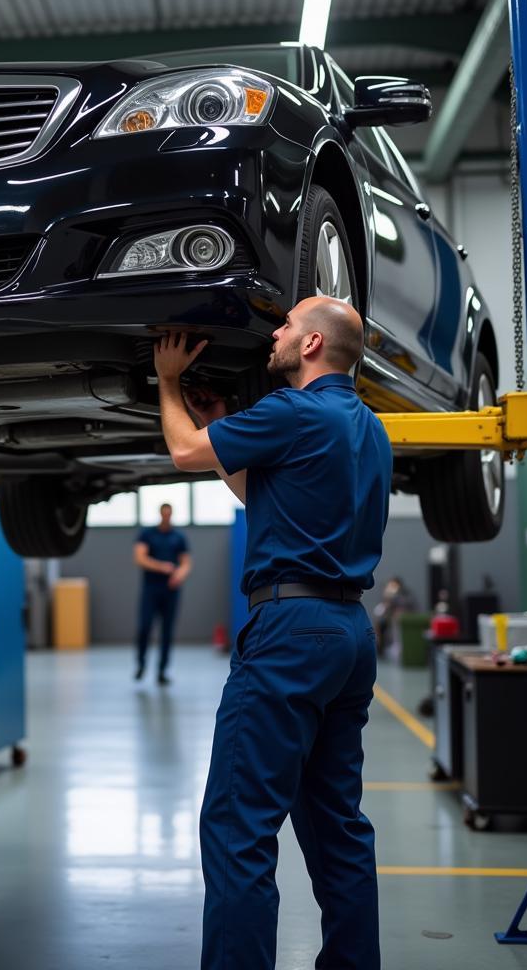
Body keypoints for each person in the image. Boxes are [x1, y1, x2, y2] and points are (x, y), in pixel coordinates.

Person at [153, 295, 391, 970]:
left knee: (238, 826)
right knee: (337, 826)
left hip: (290, 631)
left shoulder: (292, 411)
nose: (276, 334)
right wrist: (226, 430)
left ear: (312, 345)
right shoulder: (369, 429)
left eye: (287, 326)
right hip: (348, 634)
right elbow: (264, 493)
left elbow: (181, 453)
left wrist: (168, 382)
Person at [133, 503, 193, 685]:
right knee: (144, 627)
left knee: (167, 631)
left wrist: (179, 575)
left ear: (171, 514)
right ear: (160, 514)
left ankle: (162, 671)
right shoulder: (147, 534)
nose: (166, 517)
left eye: (169, 514)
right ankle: (141, 664)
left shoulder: (179, 537)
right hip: (151, 588)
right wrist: (162, 567)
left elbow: (186, 563)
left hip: (171, 590)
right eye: (164, 514)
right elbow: (139, 557)